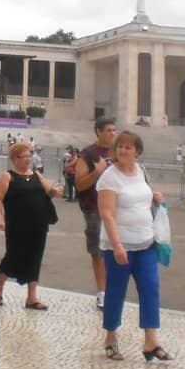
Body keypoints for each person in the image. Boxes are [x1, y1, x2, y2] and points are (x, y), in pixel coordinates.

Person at [97, 130, 170, 363]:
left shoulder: (141, 171)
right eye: (120, 146)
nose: (123, 150)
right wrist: (117, 245)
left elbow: (142, 198)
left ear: (137, 151)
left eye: (128, 147)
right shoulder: (109, 177)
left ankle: (151, 340)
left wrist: (155, 196)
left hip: (146, 242)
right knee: (116, 291)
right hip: (119, 245)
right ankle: (110, 336)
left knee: (150, 288)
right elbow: (107, 214)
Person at [0, 143, 62, 310]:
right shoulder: (8, 177)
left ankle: (31, 297)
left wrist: (55, 192)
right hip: (16, 225)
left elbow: (48, 190)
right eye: (25, 157)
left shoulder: (36, 174)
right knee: (13, 256)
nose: (28, 159)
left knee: (35, 257)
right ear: (15, 159)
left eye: (30, 156)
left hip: (38, 224)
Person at [74, 116, 116, 311]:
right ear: (99, 131)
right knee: (98, 252)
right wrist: (97, 172)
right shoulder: (88, 154)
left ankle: (113, 289)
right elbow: (80, 184)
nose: (112, 134)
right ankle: (102, 292)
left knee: (116, 250)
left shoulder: (118, 151)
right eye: (109, 130)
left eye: (114, 130)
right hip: (94, 208)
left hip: (116, 208)